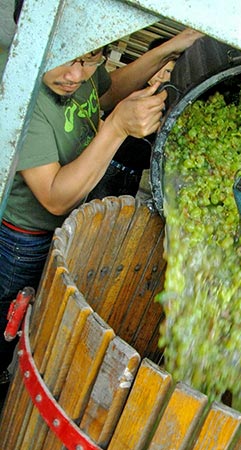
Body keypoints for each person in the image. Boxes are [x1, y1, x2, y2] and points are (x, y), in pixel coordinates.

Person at [0, 0, 202, 390]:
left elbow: (108, 91)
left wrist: (170, 47)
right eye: (69, 60)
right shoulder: (20, 89)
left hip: (59, 234)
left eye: (90, 58)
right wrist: (118, 128)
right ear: (32, 30)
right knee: (4, 330)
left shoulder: (79, 75)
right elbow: (56, 197)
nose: (76, 75)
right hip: (21, 242)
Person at [87, 38, 178, 199]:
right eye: (158, 68)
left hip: (133, 177)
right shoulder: (130, 91)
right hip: (108, 170)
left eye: (169, 71)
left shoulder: (167, 103)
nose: (161, 76)